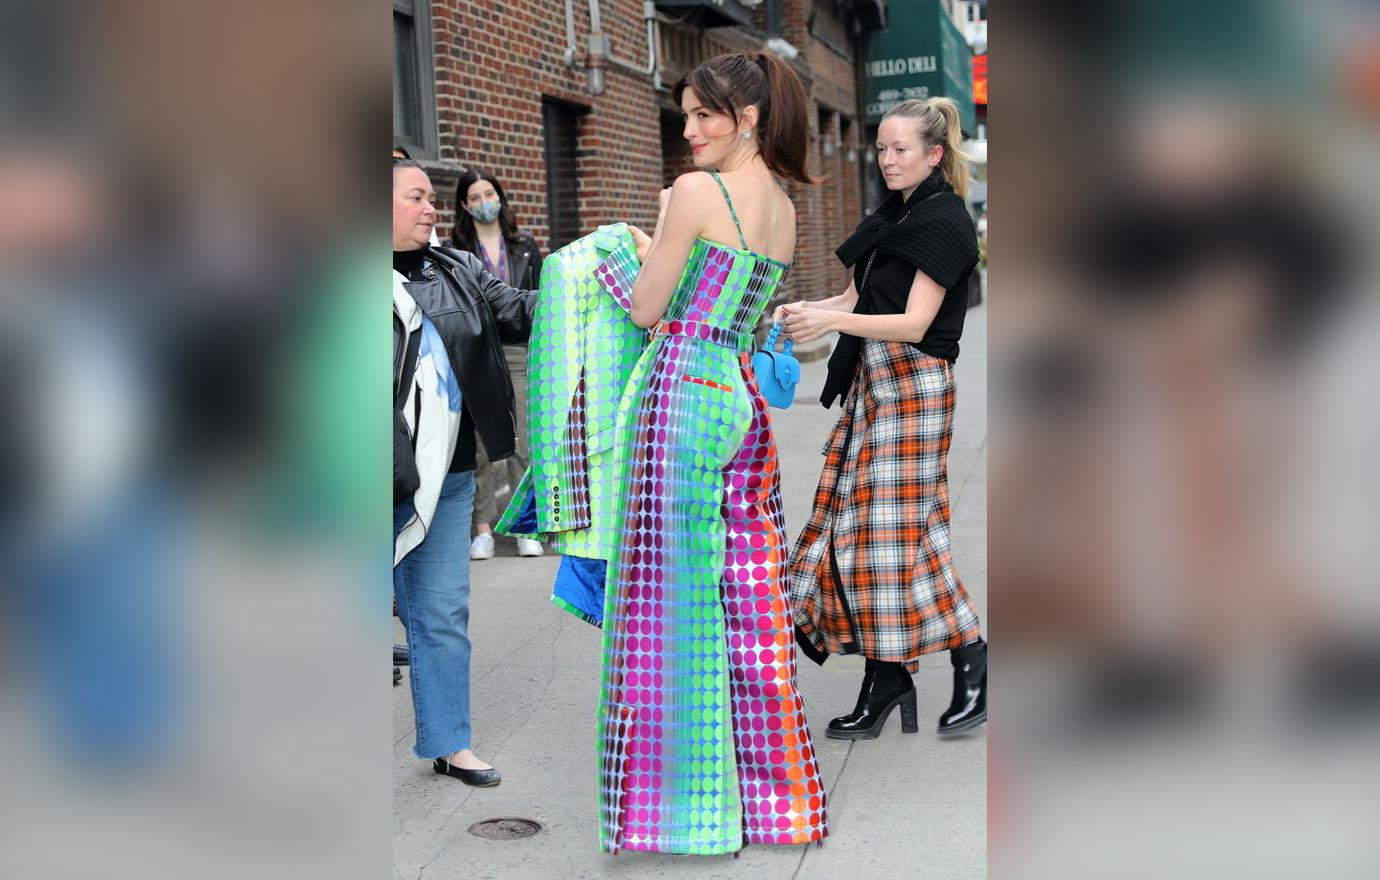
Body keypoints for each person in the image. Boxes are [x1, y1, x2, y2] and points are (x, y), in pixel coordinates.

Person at [594, 51, 828, 855]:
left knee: (669, 613)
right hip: (741, 402)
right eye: (685, 115)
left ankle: (685, 810)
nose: (687, 130)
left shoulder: (697, 192)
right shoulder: (786, 209)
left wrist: (628, 246)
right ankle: (776, 805)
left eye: (703, 115)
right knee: (749, 605)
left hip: (683, 395)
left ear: (750, 118)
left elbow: (647, 306)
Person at [780, 97, 988, 739]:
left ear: (933, 154)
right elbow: (859, 296)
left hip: (915, 386)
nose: (888, 159)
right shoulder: (895, 216)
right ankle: (887, 675)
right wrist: (808, 308)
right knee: (865, 536)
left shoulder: (944, 220)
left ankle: (972, 660)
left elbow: (915, 322)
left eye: (901, 149)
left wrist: (833, 321)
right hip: (876, 384)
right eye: (881, 148)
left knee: (895, 538)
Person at [391, 157, 535, 786]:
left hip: (446, 478)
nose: (432, 208)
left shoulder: (457, 266)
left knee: (441, 614)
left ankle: (450, 742)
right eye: (416, 197)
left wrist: (603, 272)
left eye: (430, 197)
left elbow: (523, 313)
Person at [449, 168, 545, 560]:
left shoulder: (523, 245)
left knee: (523, 436)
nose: (484, 202)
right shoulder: (455, 250)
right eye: (475, 196)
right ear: (464, 205)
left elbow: (539, 296)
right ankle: (483, 528)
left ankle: (526, 526)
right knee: (481, 448)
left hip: (520, 348)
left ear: (500, 196)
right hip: (476, 349)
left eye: (489, 193)